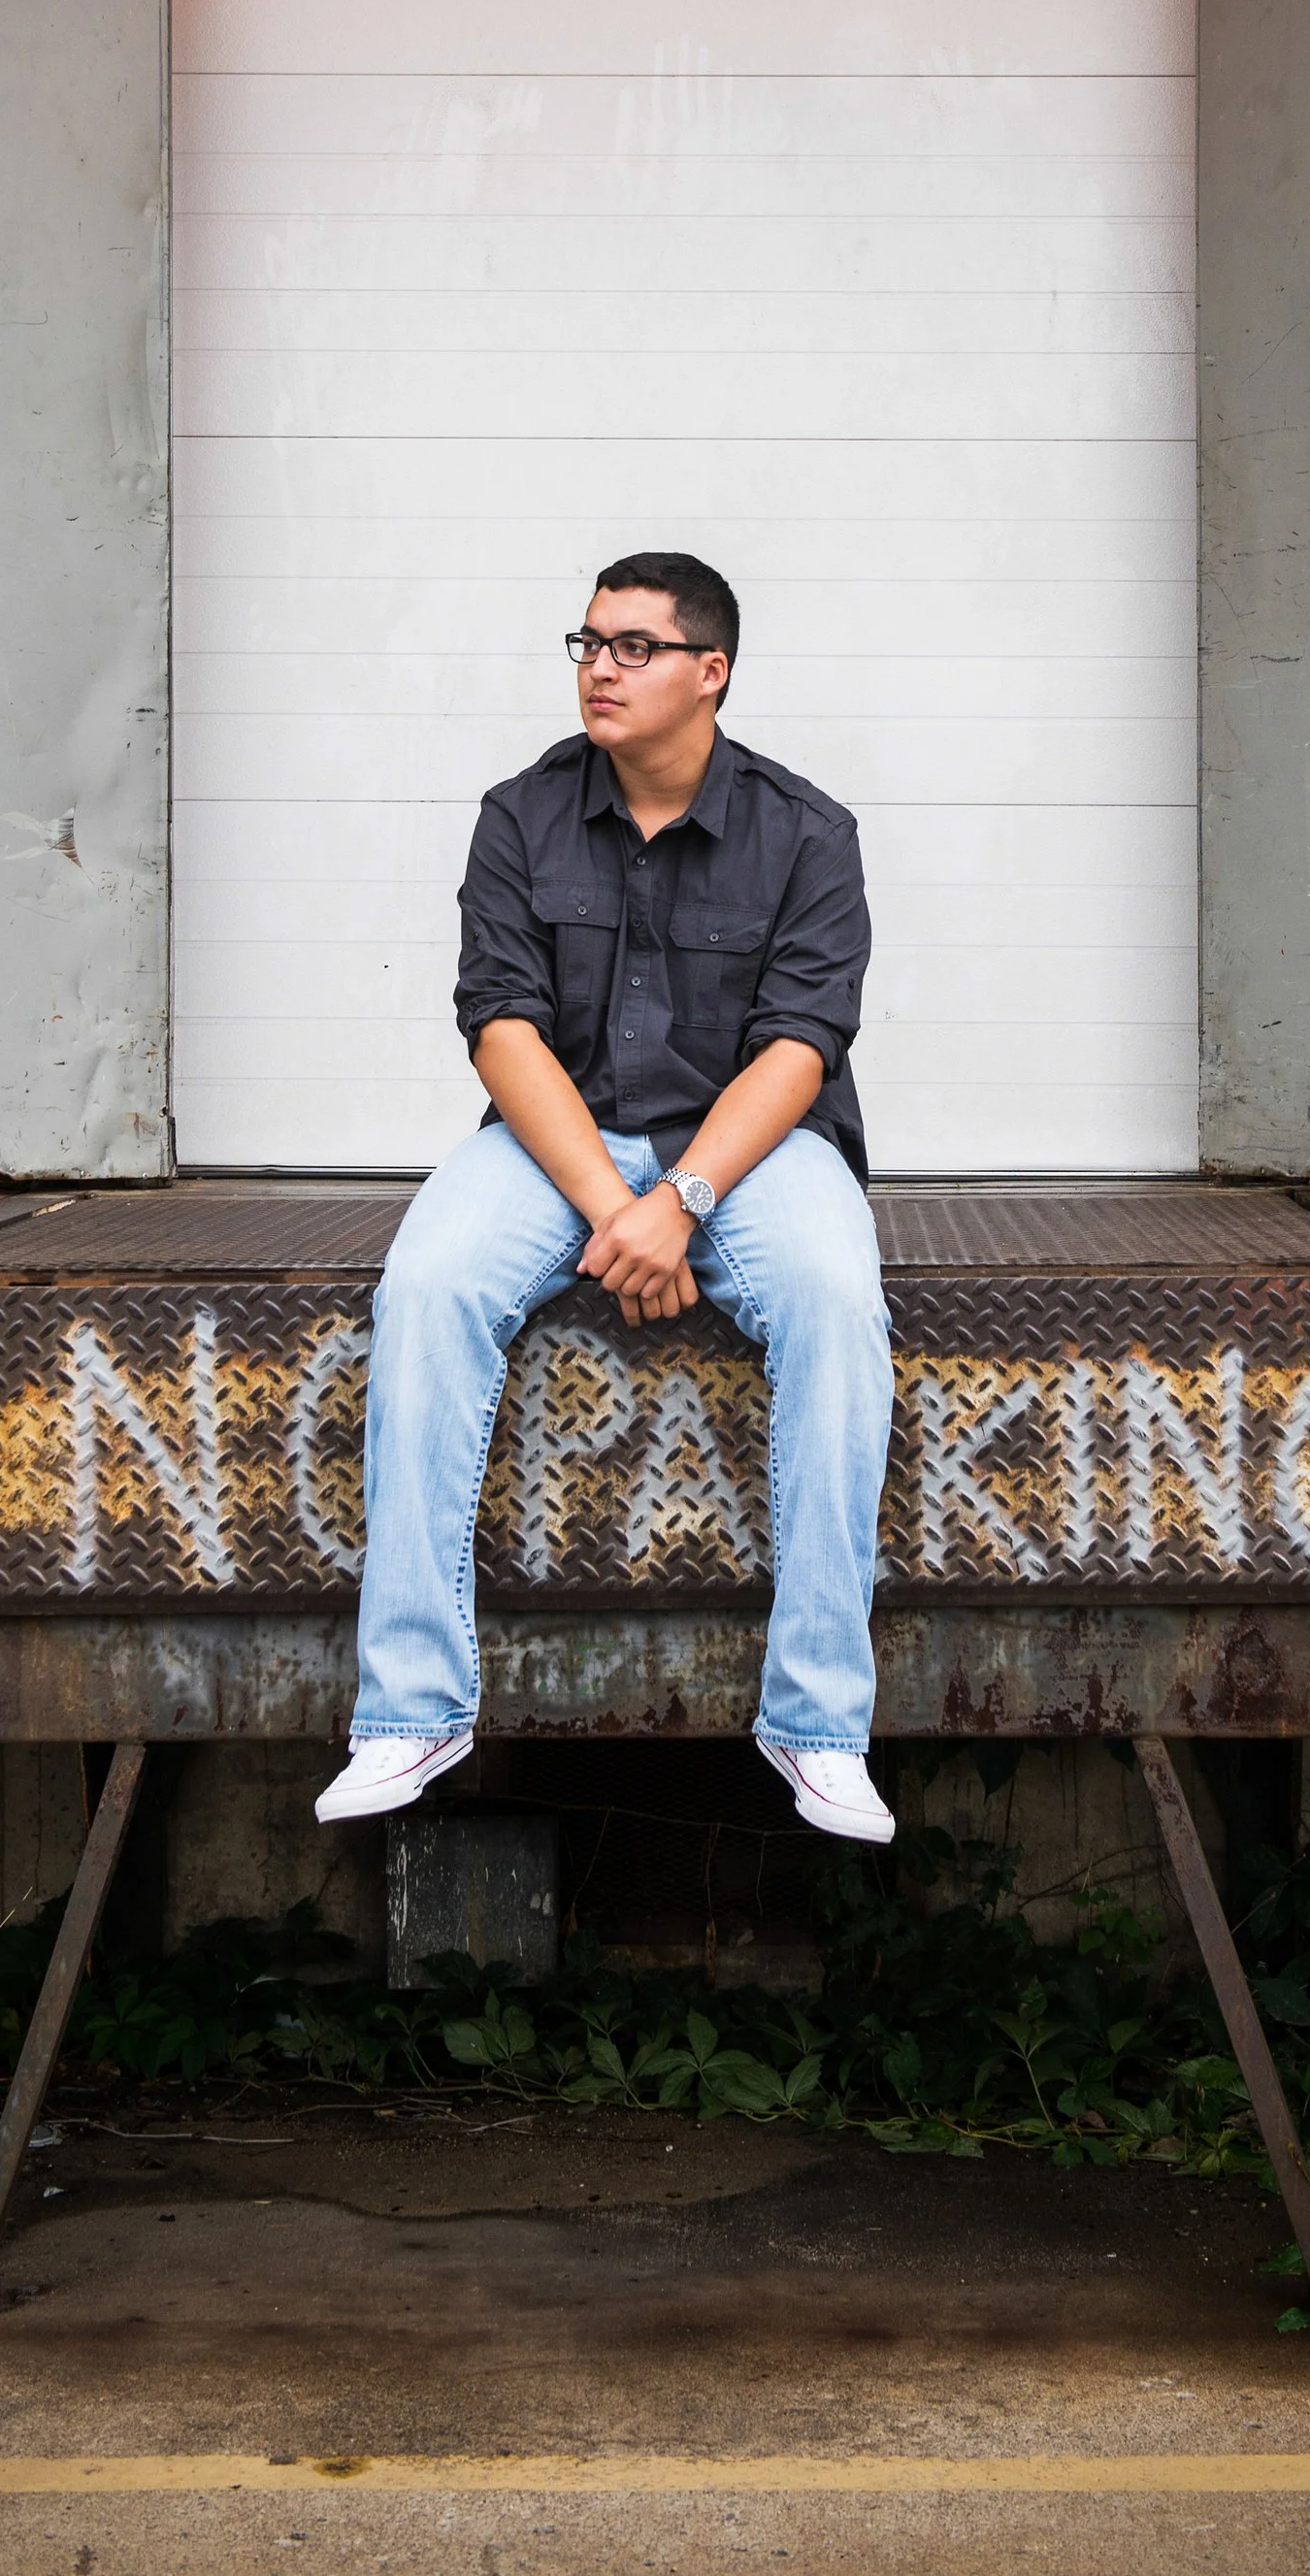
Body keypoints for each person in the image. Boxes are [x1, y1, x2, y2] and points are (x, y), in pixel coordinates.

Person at [314, 552, 897, 1844]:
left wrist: (681, 1196)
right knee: (425, 1289)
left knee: (835, 1303)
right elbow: (502, 1026)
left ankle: (816, 1726)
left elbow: (801, 1046)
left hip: (745, 1151)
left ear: (711, 671)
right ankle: (412, 1707)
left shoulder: (807, 833)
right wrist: (613, 1203)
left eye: (634, 645)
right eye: (587, 641)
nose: (600, 665)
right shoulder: (521, 815)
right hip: (556, 1140)